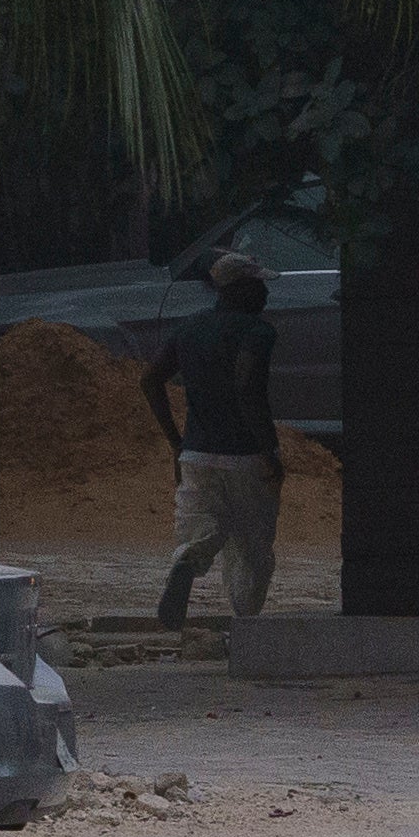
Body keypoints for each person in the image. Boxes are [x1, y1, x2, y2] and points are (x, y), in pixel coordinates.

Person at [142, 251, 283, 630]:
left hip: (197, 453)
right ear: (240, 289)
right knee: (251, 548)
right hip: (248, 456)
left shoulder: (187, 329)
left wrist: (176, 443)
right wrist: (269, 451)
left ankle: (187, 561)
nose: (265, 294)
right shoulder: (258, 332)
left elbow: (151, 380)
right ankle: (247, 623)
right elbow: (246, 388)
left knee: (201, 527)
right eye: (259, 285)